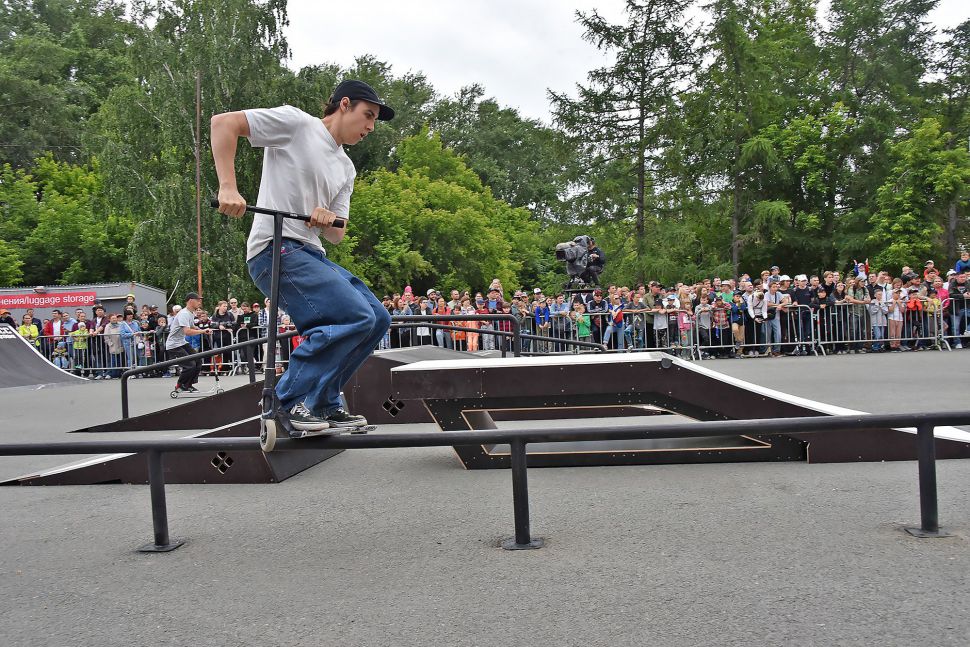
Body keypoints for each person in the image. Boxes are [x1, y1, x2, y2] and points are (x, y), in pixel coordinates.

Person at [212, 79, 394, 432]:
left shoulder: (346, 167)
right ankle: (282, 404)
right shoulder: (297, 124)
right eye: (368, 115)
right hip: (274, 248)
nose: (371, 127)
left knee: (377, 318)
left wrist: (326, 217)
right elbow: (224, 123)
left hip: (311, 252)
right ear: (344, 105)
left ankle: (323, 403)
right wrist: (228, 187)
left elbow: (337, 234)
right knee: (352, 315)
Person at [165, 293, 213, 393]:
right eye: (197, 300)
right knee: (190, 365)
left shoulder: (191, 313)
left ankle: (188, 385)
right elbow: (187, 331)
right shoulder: (184, 314)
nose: (199, 302)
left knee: (198, 360)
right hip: (173, 345)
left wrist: (204, 329)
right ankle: (179, 386)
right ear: (191, 301)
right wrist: (202, 331)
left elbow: (191, 326)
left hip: (181, 342)